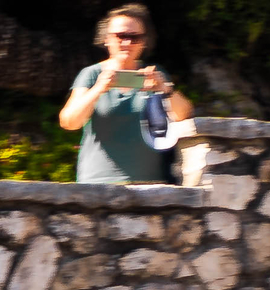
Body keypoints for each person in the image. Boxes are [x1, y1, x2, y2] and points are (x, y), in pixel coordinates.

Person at [59, 5, 196, 185]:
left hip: (151, 184)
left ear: (144, 42)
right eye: (120, 36)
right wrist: (99, 88)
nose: (127, 43)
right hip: (98, 182)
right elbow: (69, 122)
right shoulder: (92, 74)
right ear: (107, 39)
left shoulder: (155, 75)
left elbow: (184, 115)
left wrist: (165, 89)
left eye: (135, 37)